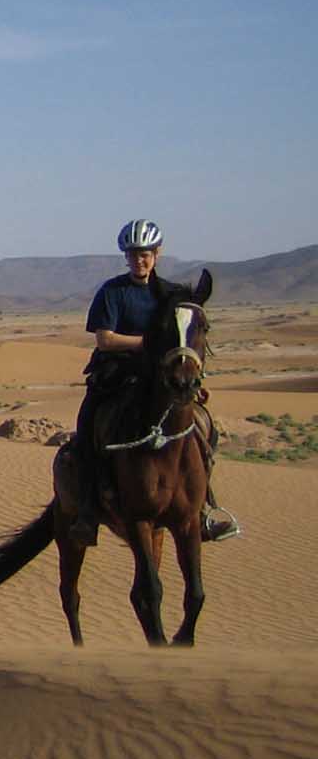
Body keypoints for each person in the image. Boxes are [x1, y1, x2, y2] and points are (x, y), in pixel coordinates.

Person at [75, 219, 237, 541]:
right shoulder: (113, 292)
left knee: (205, 427)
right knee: (88, 421)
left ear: (157, 254)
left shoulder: (170, 294)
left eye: (145, 254)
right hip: (118, 371)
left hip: (162, 373)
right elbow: (105, 339)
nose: (140, 260)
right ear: (126, 256)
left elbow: (185, 338)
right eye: (133, 254)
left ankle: (202, 508)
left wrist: (191, 378)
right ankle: (87, 508)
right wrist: (148, 343)